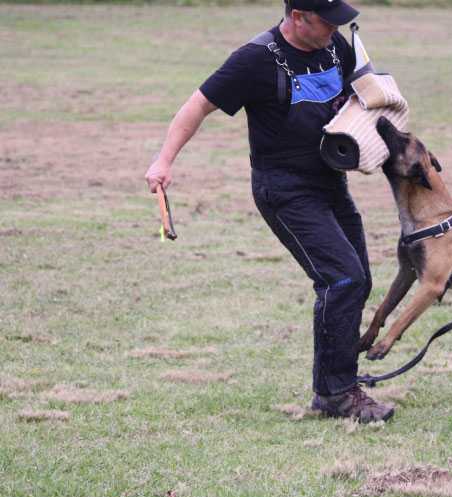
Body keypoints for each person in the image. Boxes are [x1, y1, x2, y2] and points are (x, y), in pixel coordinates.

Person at [145, 0, 394, 424]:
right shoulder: (254, 59)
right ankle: (337, 392)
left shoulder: (336, 49)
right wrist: (163, 161)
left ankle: (334, 382)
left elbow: (359, 93)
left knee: (357, 280)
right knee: (342, 278)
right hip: (284, 189)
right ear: (298, 17)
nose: (334, 32)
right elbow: (196, 106)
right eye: (325, 23)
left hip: (331, 182)